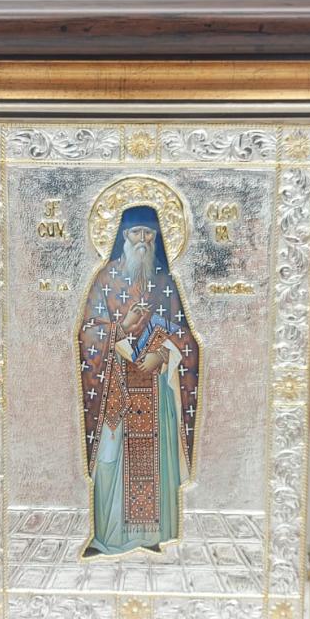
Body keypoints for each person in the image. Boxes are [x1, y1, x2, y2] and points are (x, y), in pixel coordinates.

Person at [78, 206, 200, 557]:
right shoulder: (105, 278)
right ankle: (107, 538)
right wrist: (121, 329)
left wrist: (162, 356)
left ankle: (153, 535)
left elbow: (185, 337)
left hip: (157, 390)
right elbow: (88, 332)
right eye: (136, 233)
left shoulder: (165, 281)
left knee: (156, 462)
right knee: (110, 462)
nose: (143, 240)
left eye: (149, 233)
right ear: (123, 236)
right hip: (115, 388)